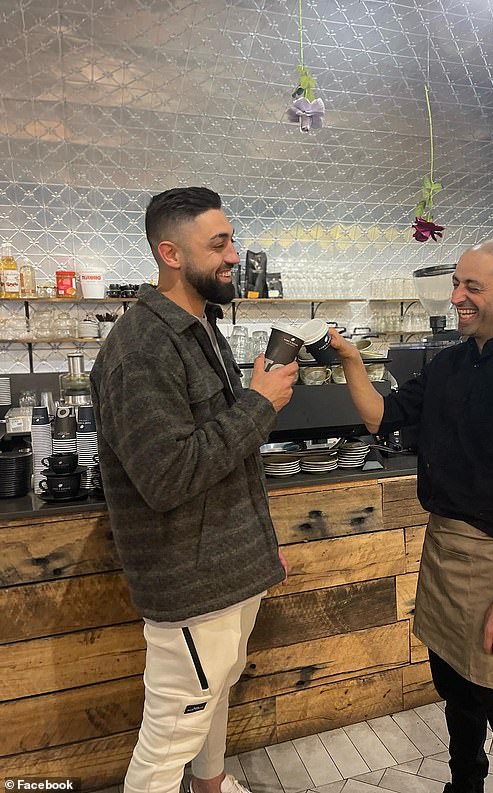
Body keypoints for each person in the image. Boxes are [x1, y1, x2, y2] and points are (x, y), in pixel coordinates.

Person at [329, 239, 493, 793]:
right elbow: (382, 417)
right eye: (456, 284)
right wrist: (351, 361)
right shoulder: (449, 362)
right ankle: (463, 785)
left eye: (473, 286)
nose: (458, 297)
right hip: (444, 550)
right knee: (457, 694)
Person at [90, 187, 298, 793]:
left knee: (212, 695)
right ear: (170, 253)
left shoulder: (198, 328)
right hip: (190, 577)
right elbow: (168, 476)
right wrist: (260, 404)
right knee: (169, 737)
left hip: (229, 567)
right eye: (219, 243)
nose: (235, 255)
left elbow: (224, 460)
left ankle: (210, 787)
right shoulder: (141, 348)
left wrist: (261, 550)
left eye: (232, 239)